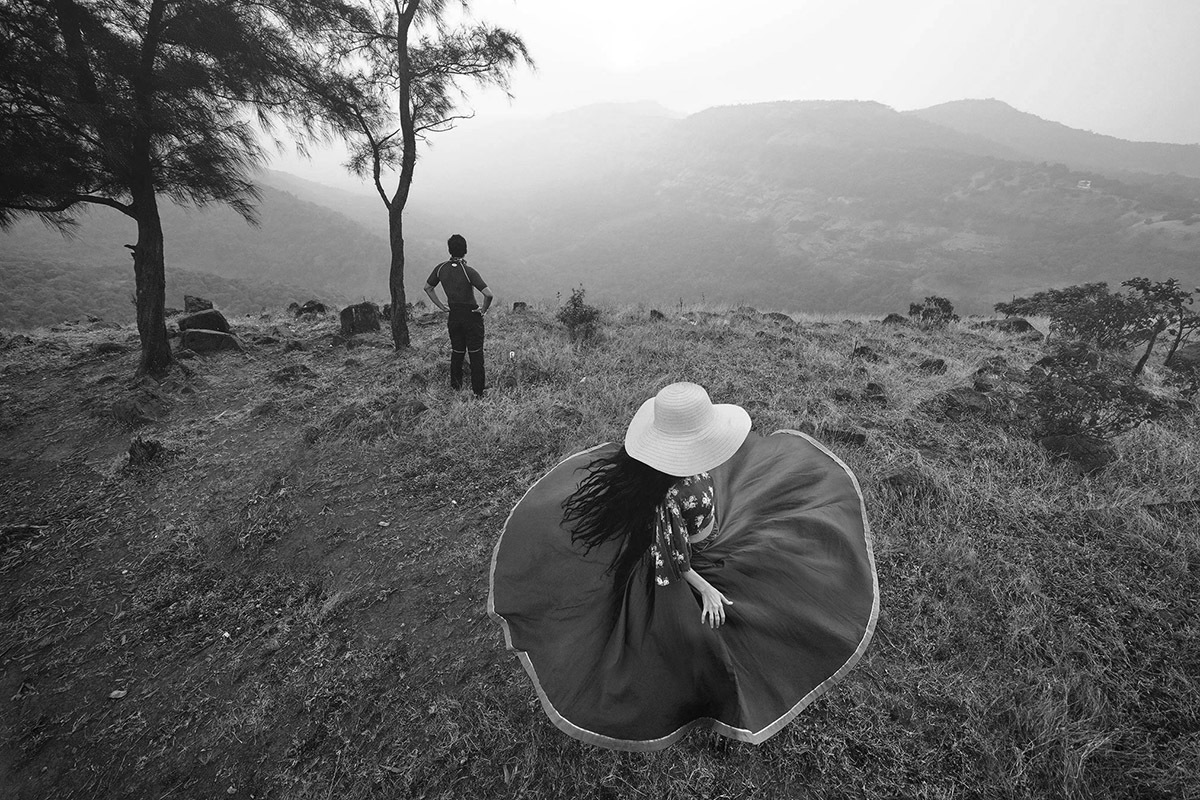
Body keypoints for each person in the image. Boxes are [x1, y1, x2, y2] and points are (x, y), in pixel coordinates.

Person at [488, 382, 878, 751]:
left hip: (706, 525)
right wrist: (704, 587)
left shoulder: (682, 478)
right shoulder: (670, 498)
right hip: (694, 549)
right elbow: (673, 558)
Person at [424, 234, 493, 397]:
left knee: (457, 351)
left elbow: (428, 287)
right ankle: (478, 391)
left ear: (449, 249)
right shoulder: (469, 271)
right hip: (471, 316)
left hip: (454, 315)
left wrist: (442, 306)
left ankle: (456, 387)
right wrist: (483, 310)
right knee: (475, 353)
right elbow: (488, 295)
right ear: (465, 250)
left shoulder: (440, 269)